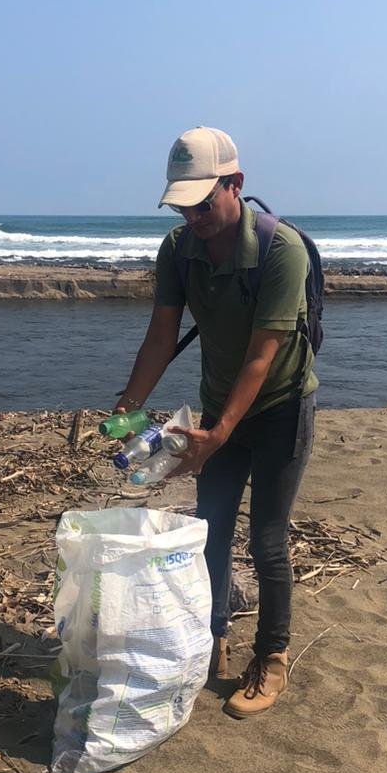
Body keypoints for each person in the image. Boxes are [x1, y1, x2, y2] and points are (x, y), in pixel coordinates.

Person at [113, 126, 317, 718]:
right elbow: (161, 334)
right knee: (212, 529)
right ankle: (213, 638)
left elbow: (262, 355)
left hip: (280, 407)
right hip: (218, 409)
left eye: (202, 203)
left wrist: (219, 434)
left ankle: (272, 656)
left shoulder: (282, 250)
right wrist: (128, 407)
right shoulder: (179, 250)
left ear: (235, 184)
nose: (193, 217)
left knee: (268, 540)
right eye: (182, 206)